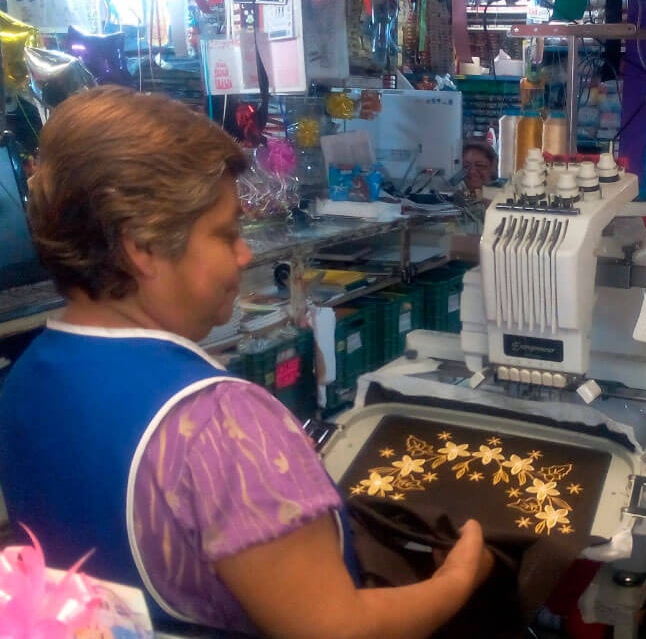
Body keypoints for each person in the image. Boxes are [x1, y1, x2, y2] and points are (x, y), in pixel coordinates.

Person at [0, 86, 493, 637]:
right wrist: (459, 579)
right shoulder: (218, 421)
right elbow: (336, 629)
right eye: (226, 233)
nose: (244, 253)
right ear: (143, 247)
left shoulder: (25, 380)